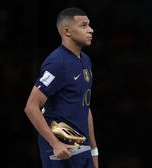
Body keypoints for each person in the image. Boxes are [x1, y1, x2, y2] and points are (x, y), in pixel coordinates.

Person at [24, 7, 99, 168]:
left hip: (83, 148)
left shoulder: (86, 60)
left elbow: (85, 105)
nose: (91, 30)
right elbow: (31, 107)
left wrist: (94, 149)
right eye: (84, 25)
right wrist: (55, 144)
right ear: (67, 31)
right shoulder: (57, 63)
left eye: (89, 25)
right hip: (61, 151)